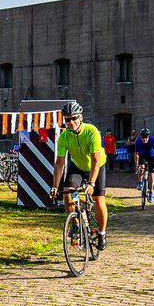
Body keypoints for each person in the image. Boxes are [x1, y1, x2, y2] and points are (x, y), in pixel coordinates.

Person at [50, 101, 108, 248]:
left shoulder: (92, 131)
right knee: (67, 194)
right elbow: (60, 163)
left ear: (80, 117)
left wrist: (92, 183)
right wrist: (55, 186)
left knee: (98, 200)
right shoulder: (64, 137)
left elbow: (95, 160)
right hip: (77, 166)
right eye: (67, 119)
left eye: (74, 118)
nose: (71, 122)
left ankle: (102, 233)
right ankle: (77, 223)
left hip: (97, 166)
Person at [132, 128, 154, 201]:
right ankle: (140, 182)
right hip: (142, 156)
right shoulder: (138, 141)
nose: (144, 139)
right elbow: (136, 154)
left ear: (148, 137)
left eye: (146, 138)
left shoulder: (153, 140)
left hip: (151, 156)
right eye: (143, 138)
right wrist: (137, 165)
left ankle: (151, 193)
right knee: (141, 167)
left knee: (151, 174)